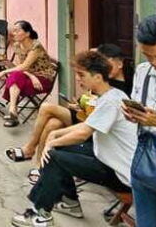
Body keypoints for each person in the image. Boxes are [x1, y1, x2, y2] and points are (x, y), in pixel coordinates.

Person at [12, 51, 135, 226]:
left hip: (119, 172)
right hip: (105, 157)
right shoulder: (110, 95)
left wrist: (52, 141)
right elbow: (88, 125)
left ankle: (41, 213)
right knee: (58, 150)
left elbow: (84, 132)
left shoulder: (111, 101)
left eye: (81, 75)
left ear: (98, 77)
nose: (78, 79)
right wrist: (55, 135)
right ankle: (70, 203)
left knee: (55, 156)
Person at [6, 44, 132, 182]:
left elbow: (105, 117)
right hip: (85, 116)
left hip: (95, 127)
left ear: (119, 63)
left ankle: (30, 150)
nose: (103, 66)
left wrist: (54, 141)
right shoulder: (105, 82)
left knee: (47, 108)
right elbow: (90, 100)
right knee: (53, 124)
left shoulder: (124, 88)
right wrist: (80, 104)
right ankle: (39, 166)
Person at [121, 15, 156, 225]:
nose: (155, 63)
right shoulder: (142, 71)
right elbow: (139, 105)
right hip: (146, 161)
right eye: (148, 56)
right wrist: (133, 115)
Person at [0, 21, 57, 127]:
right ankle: (13, 110)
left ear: (27, 33)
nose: (14, 33)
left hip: (43, 79)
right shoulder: (17, 45)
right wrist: (31, 76)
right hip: (31, 76)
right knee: (15, 76)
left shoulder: (36, 47)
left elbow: (23, 67)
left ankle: (13, 111)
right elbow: (21, 67)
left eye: (17, 31)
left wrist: (4, 72)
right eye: (13, 31)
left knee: (13, 81)